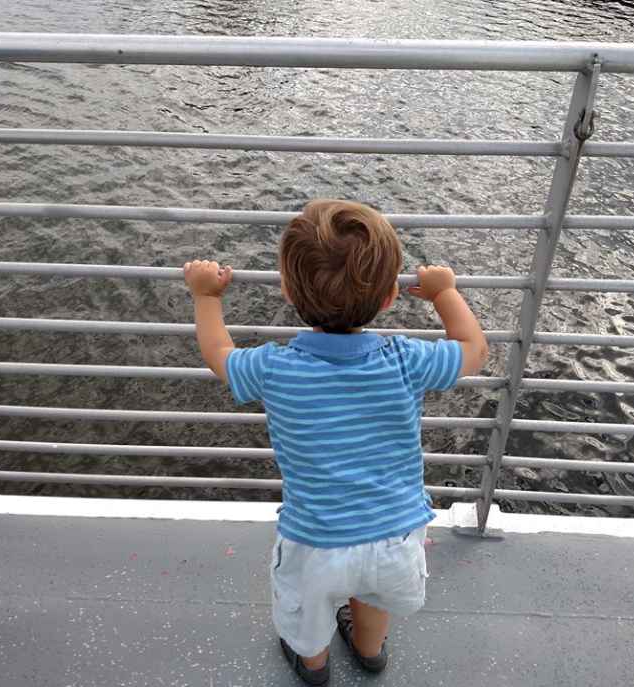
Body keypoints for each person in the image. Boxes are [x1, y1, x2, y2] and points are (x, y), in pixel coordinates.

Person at [183, 199, 488, 685]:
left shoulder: (275, 368)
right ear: (389, 297)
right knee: (374, 599)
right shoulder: (407, 360)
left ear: (287, 290)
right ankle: (368, 653)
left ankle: (313, 665)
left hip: (315, 540)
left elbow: (220, 354)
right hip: (394, 533)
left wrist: (205, 295)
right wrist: (444, 292)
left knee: (307, 613)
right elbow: (474, 349)